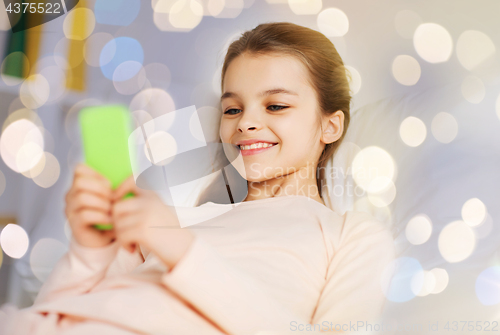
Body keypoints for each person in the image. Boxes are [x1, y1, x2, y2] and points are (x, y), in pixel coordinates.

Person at [0, 22, 395, 335]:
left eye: (275, 105)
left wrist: (179, 248)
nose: (247, 123)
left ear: (330, 125)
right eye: (232, 110)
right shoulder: (169, 221)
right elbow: (56, 316)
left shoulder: (351, 236)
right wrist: (88, 252)